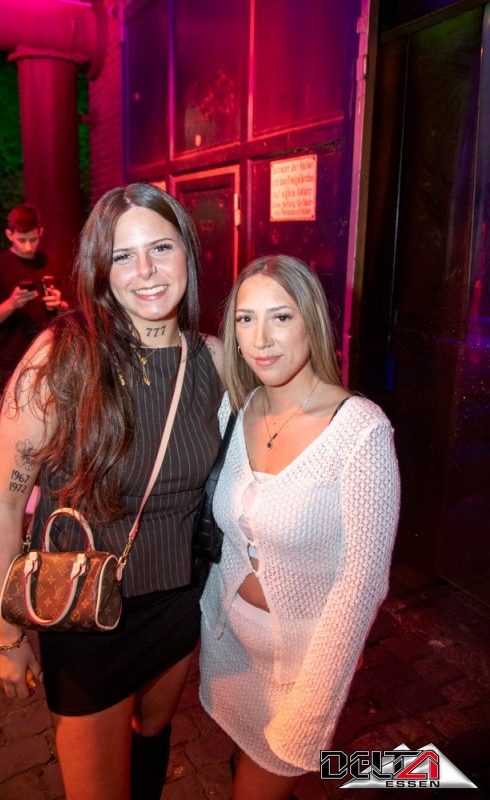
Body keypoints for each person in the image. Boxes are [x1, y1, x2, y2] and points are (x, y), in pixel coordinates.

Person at [0, 183, 224, 800]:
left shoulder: (216, 361)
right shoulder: (60, 359)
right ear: (101, 269)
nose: (146, 271)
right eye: (123, 255)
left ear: (187, 252)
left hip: (176, 601)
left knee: (152, 736)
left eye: (161, 247)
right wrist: (6, 635)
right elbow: (4, 502)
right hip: (83, 614)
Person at [199, 255, 401, 800]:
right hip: (228, 647)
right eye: (245, 319)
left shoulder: (359, 432)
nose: (261, 339)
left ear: (312, 321)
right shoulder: (236, 409)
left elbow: (362, 583)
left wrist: (315, 703)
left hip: (301, 667)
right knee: (245, 761)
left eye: (281, 317)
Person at [0, 204, 69, 392]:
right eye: (22, 240)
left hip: (50, 358)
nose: (28, 246)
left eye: (33, 239)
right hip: (12, 363)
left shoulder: (50, 264)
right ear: (9, 235)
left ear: (40, 232)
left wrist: (59, 304)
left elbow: (71, 310)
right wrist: (12, 303)